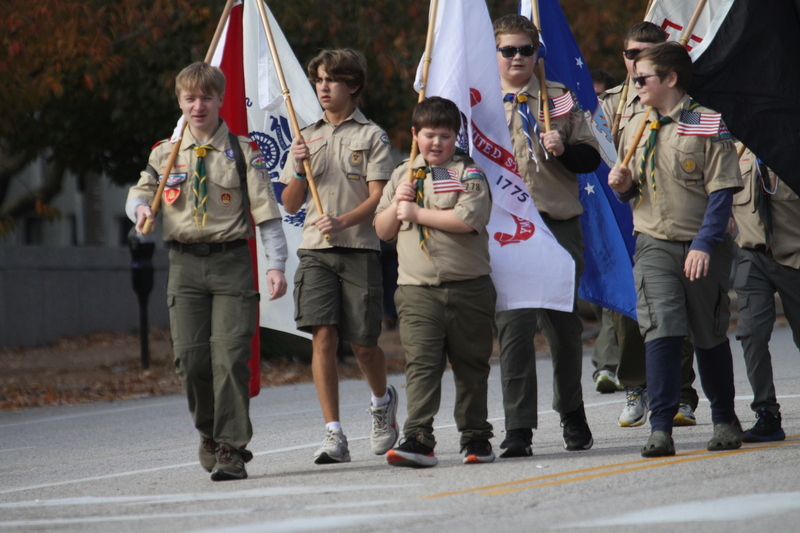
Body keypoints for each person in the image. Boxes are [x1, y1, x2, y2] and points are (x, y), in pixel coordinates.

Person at [126, 62, 288, 481]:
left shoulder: (242, 151)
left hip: (231, 262)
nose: (198, 106)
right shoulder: (166, 152)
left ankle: (232, 447)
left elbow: (267, 214)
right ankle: (209, 432)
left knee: (231, 357)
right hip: (183, 264)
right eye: (189, 98)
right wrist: (141, 209)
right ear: (180, 101)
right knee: (190, 360)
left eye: (206, 98)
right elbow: (141, 193)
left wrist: (276, 265)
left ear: (220, 100)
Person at [608, 42, 743, 457]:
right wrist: (624, 186)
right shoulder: (635, 124)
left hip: (702, 243)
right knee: (660, 329)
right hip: (653, 243)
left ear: (670, 79)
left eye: (642, 78)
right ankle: (661, 426)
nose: (635, 83)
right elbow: (639, 192)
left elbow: (721, 192)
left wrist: (703, 244)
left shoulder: (706, 123)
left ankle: (724, 419)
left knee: (707, 332)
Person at [279, 49, 398, 465]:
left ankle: (382, 402)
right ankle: (334, 433)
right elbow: (291, 203)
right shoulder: (305, 136)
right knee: (323, 337)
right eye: (319, 81)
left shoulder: (372, 137)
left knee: (364, 344)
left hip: (359, 248)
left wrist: (344, 221)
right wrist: (296, 168)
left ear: (353, 86)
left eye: (332, 80)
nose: (324, 88)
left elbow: (380, 197)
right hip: (315, 251)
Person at [493, 14, 601, 458]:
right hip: (508, 229)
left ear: (537, 52)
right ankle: (518, 427)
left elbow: (591, 158)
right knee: (514, 329)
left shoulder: (557, 100)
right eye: (507, 50)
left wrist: (565, 149)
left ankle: (571, 411)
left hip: (556, 222)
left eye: (525, 49)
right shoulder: (477, 101)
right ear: (494, 53)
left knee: (561, 326)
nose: (517, 57)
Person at [375, 96, 496, 467]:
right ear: (415, 134)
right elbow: (382, 231)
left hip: (468, 287)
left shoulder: (467, 173)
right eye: (429, 135)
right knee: (422, 364)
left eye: (445, 136)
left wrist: (417, 212)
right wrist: (398, 206)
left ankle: (475, 436)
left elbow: (467, 220)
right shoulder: (403, 174)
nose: (437, 144)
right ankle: (418, 437)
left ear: (455, 137)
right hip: (417, 290)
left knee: (470, 364)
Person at [599, 22, 700, 429]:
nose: (635, 60)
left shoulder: (682, 101)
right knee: (630, 305)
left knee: (679, 307)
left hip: (671, 211)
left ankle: (681, 392)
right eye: (629, 53)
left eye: (645, 52)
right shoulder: (610, 103)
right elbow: (596, 152)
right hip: (622, 210)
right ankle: (637, 387)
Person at [731, 147, 800, 442]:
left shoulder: (789, 144)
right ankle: (766, 413)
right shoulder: (731, 149)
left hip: (795, 256)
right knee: (752, 333)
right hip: (752, 256)